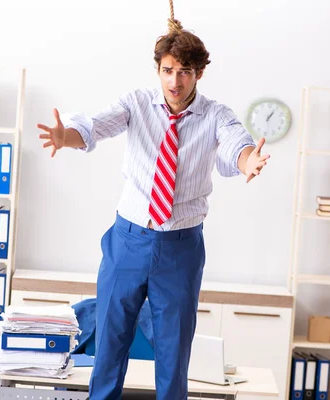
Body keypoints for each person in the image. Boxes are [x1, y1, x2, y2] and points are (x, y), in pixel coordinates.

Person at [38, 12, 270, 400]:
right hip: (127, 241)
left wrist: (249, 161)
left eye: (184, 72)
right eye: (167, 71)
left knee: (173, 352)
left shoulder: (216, 116)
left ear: (198, 74)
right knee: (110, 341)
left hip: (180, 249)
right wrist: (68, 136)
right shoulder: (137, 104)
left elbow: (236, 146)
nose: (174, 81)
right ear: (158, 70)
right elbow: (96, 126)